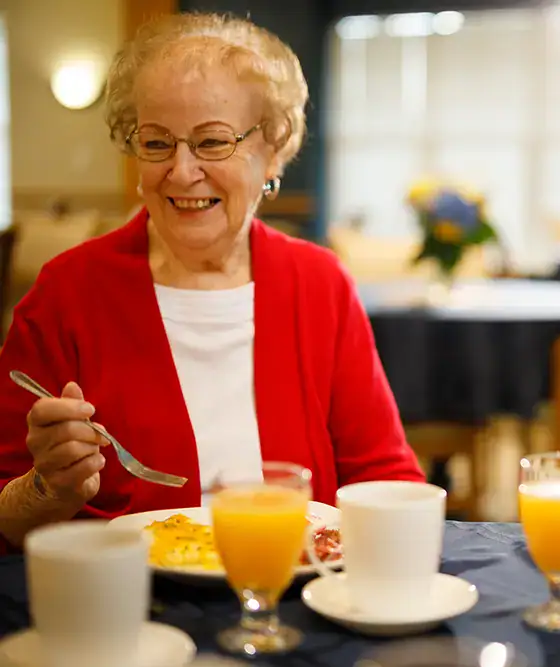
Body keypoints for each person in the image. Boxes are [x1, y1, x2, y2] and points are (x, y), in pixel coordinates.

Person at [0, 12, 424, 551]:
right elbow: (6, 510)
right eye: (156, 144)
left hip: (297, 603)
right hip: (130, 609)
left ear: (273, 149)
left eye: (212, 142)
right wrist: (46, 489)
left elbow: (385, 479)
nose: (180, 171)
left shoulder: (318, 283)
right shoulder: (69, 291)